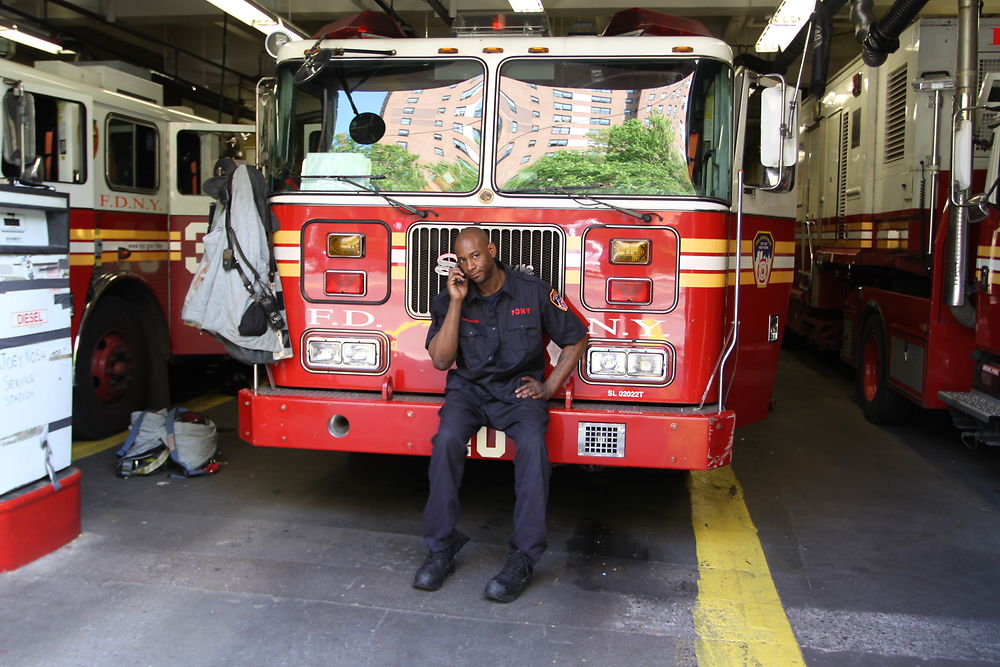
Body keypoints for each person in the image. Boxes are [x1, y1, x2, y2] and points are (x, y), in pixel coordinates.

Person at [413, 226, 587, 603]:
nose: (470, 265)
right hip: (469, 391)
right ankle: (441, 547)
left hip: (517, 390)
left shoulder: (533, 290)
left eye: (475, 256)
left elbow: (576, 337)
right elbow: (442, 360)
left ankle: (523, 556)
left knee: (531, 446)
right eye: (461, 260)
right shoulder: (448, 299)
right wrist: (457, 302)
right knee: (444, 442)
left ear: (491, 251)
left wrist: (550, 387)